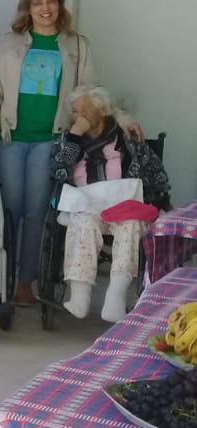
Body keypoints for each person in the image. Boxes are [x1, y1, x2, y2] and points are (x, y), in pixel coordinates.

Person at [0, 0, 141, 306]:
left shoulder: (77, 45)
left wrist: (121, 118)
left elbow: (92, 92)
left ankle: (24, 283)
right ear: (28, 7)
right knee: (9, 210)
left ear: (60, 5)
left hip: (51, 140)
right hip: (11, 137)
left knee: (36, 213)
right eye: (38, 3)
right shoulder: (9, 43)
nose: (45, 9)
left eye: (51, 1)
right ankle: (4, 275)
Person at [50, 84, 169, 323]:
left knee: (132, 224)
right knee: (82, 222)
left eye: (84, 109)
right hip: (86, 205)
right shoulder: (69, 140)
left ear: (102, 110)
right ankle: (80, 297)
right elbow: (58, 173)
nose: (78, 115)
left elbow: (157, 176)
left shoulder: (128, 140)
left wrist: (158, 201)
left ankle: (115, 297)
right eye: (74, 111)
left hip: (123, 207)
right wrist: (74, 137)